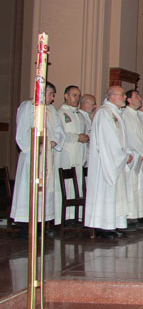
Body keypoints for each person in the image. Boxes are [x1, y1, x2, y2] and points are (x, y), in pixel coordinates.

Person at [10, 82, 65, 231]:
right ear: (41, 92)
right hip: (32, 156)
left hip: (47, 154)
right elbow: (22, 131)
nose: (52, 98)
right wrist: (36, 145)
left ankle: (41, 224)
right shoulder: (28, 107)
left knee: (44, 190)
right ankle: (26, 226)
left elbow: (59, 130)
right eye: (50, 94)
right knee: (30, 189)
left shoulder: (51, 110)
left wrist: (53, 142)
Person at [85, 85, 132, 238]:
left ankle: (114, 224)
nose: (125, 97)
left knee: (116, 194)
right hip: (105, 162)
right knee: (106, 193)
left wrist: (126, 153)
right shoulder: (104, 113)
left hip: (116, 159)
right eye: (122, 94)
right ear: (111, 96)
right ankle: (102, 226)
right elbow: (108, 141)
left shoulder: (115, 113)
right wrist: (121, 156)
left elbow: (121, 138)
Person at [56, 85, 89, 225]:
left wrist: (86, 137)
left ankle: (77, 215)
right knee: (68, 185)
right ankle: (66, 217)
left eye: (79, 96)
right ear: (66, 96)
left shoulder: (80, 115)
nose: (77, 98)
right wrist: (76, 137)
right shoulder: (61, 113)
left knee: (78, 185)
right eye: (74, 95)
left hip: (79, 155)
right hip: (67, 155)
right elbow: (59, 135)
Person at [122, 90, 143, 227]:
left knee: (138, 186)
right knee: (130, 186)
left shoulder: (137, 115)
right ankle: (129, 217)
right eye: (137, 97)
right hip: (132, 156)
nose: (140, 99)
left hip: (141, 156)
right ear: (129, 100)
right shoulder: (125, 115)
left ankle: (137, 215)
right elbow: (131, 137)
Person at [79, 93, 96, 166]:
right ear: (85, 103)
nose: (95, 106)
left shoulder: (88, 117)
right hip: (82, 152)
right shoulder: (79, 116)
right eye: (93, 104)